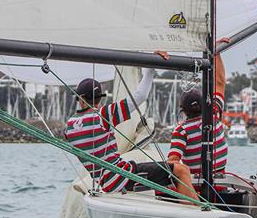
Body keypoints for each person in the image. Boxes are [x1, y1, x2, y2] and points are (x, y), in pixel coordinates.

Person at [64, 58, 198, 202]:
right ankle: (198, 213)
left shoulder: (69, 128)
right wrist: (150, 69)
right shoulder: (103, 115)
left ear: (80, 99)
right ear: (99, 99)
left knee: (171, 169)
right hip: (122, 177)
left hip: (106, 182)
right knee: (181, 170)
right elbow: (140, 96)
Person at [168, 46, 228, 177]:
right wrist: (215, 51)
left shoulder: (181, 130)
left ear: (183, 110)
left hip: (195, 187)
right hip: (220, 182)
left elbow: (173, 161)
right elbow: (220, 81)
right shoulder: (213, 112)